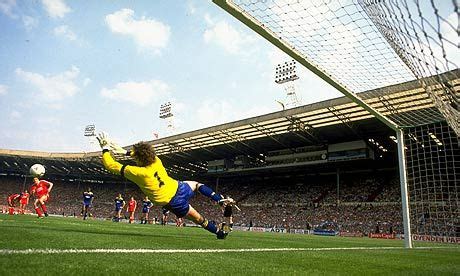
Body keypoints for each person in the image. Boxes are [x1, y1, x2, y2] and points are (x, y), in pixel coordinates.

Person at [97, 133, 235, 239]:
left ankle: (219, 233)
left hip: (173, 201)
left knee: (199, 219)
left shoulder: (137, 172)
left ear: (139, 158)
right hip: (179, 187)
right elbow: (142, 155)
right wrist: (124, 151)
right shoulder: (156, 160)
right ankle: (218, 199)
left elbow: (111, 165)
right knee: (197, 184)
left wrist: (105, 149)